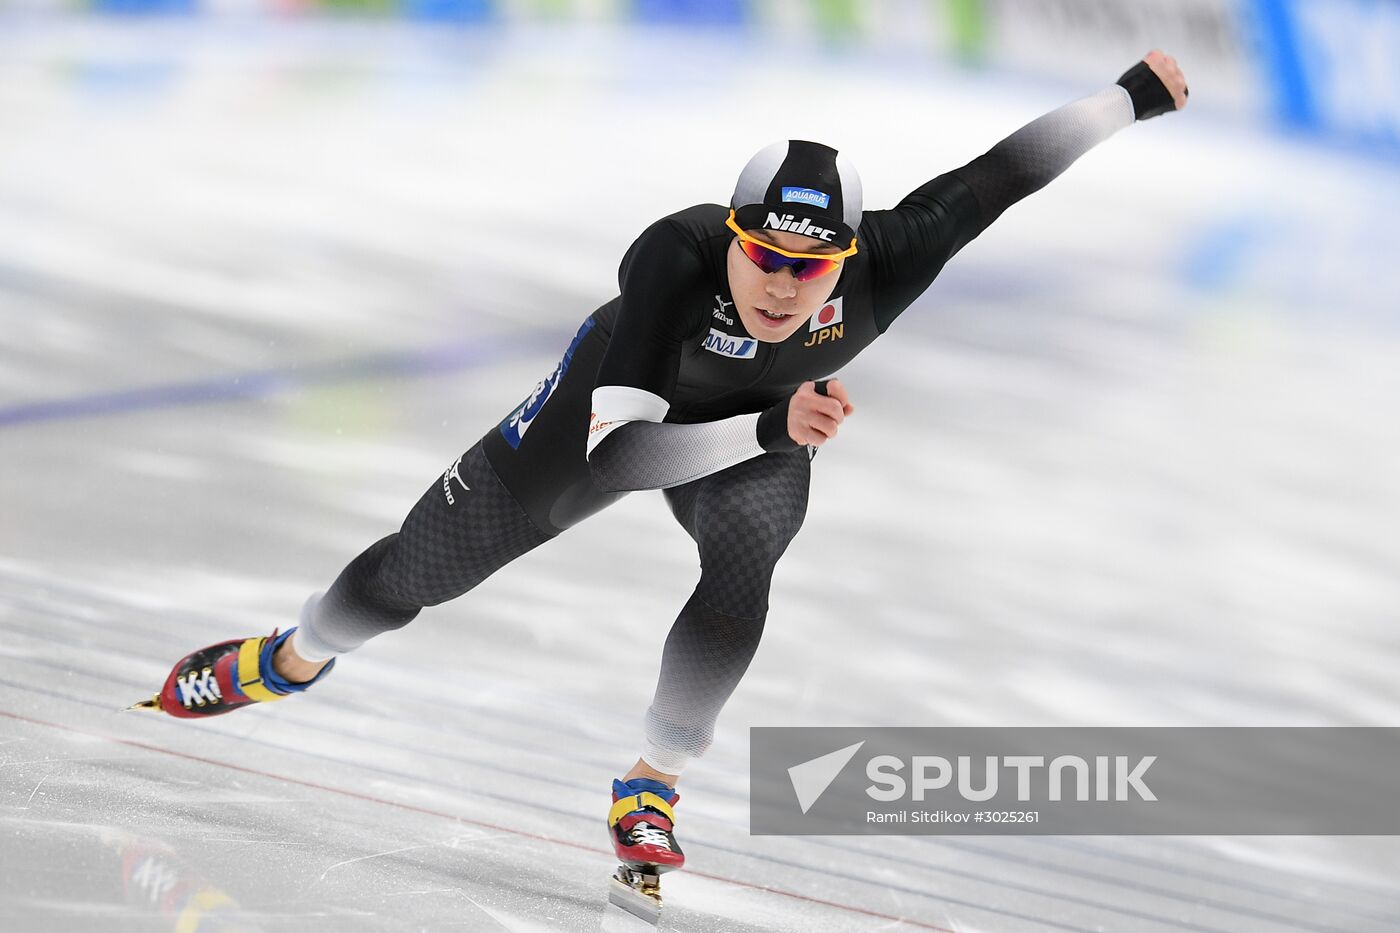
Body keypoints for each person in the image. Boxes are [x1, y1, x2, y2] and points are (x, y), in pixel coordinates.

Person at [136, 50, 1188, 912]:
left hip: (757, 430)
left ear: (846, 255)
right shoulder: (671, 263)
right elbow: (621, 460)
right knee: (416, 577)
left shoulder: (889, 254)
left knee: (744, 567)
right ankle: (293, 656)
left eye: (809, 266)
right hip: (606, 418)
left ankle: (652, 781)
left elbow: (1003, 171)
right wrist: (772, 421)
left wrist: (1128, 95)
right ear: (729, 237)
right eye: (764, 257)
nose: (783, 285)